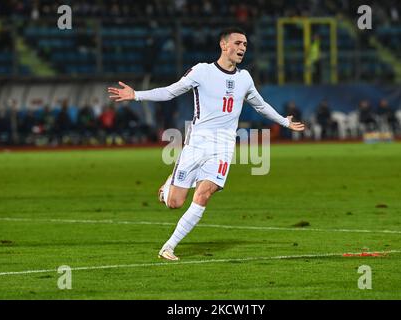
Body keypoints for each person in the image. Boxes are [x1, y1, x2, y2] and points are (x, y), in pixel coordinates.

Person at [108, 27, 305, 261]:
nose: (243, 47)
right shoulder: (202, 71)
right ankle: (168, 186)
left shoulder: (245, 78)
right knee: (174, 203)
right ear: (224, 45)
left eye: (245, 44)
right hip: (197, 143)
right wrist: (137, 95)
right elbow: (171, 92)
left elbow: (260, 105)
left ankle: (169, 247)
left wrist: (284, 122)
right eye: (238, 43)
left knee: (204, 193)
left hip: (223, 147)